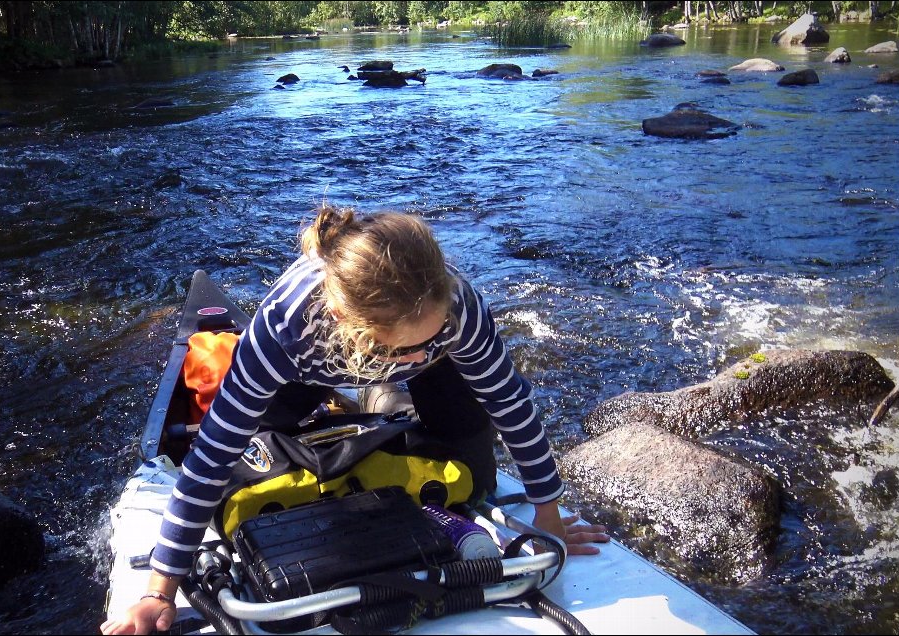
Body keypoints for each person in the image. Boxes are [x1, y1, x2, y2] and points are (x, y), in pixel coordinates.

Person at [100, 204, 609, 635]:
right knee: (263, 451)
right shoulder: (284, 330)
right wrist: (160, 590)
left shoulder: (454, 310)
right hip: (311, 366)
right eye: (416, 344)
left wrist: (547, 518)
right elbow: (211, 455)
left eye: (436, 335)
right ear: (349, 323)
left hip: (415, 361)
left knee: (472, 479)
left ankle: (392, 402)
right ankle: (355, 403)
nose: (431, 346)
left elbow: (511, 406)